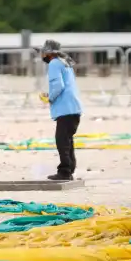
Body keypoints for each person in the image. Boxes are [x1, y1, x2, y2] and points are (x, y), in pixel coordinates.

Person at [38, 39, 83, 181]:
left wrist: (50, 98)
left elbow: (58, 85)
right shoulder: (66, 63)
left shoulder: (54, 64)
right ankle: (69, 169)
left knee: (62, 141)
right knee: (68, 141)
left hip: (65, 108)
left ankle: (64, 171)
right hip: (73, 107)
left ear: (48, 53)